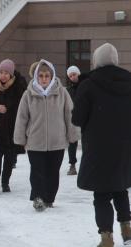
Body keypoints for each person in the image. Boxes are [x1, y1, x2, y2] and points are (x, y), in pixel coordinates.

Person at [72, 43, 131, 247]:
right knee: (120, 187)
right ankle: (127, 227)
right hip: (124, 146)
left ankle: (106, 237)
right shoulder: (129, 81)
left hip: (98, 147)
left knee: (102, 194)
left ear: (96, 60)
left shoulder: (88, 84)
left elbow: (78, 118)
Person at [14, 59, 79, 212]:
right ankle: (38, 197)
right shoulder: (28, 94)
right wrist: (20, 138)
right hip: (35, 141)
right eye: (41, 76)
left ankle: (49, 198)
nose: (44, 79)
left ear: (52, 76)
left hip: (57, 140)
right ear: (36, 77)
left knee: (52, 171)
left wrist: (72, 135)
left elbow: (69, 115)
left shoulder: (61, 92)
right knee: (37, 171)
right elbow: (22, 117)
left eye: (47, 76)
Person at [0, 59, 26, 193]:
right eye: (1, 72)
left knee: (9, 158)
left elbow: (21, 106)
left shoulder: (18, 86)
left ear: (11, 74)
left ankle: (5, 182)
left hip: (11, 128)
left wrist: (8, 107)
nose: (3, 76)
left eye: (6, 73)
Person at [65, 65, 81, 176]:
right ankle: (72, 165)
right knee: (72, 142)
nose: (72, 77)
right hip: (73, 119)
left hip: (86, 119)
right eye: (70, 76)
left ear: (78, 74)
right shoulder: (68, 90)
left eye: (74, 74)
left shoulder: (85, 86)